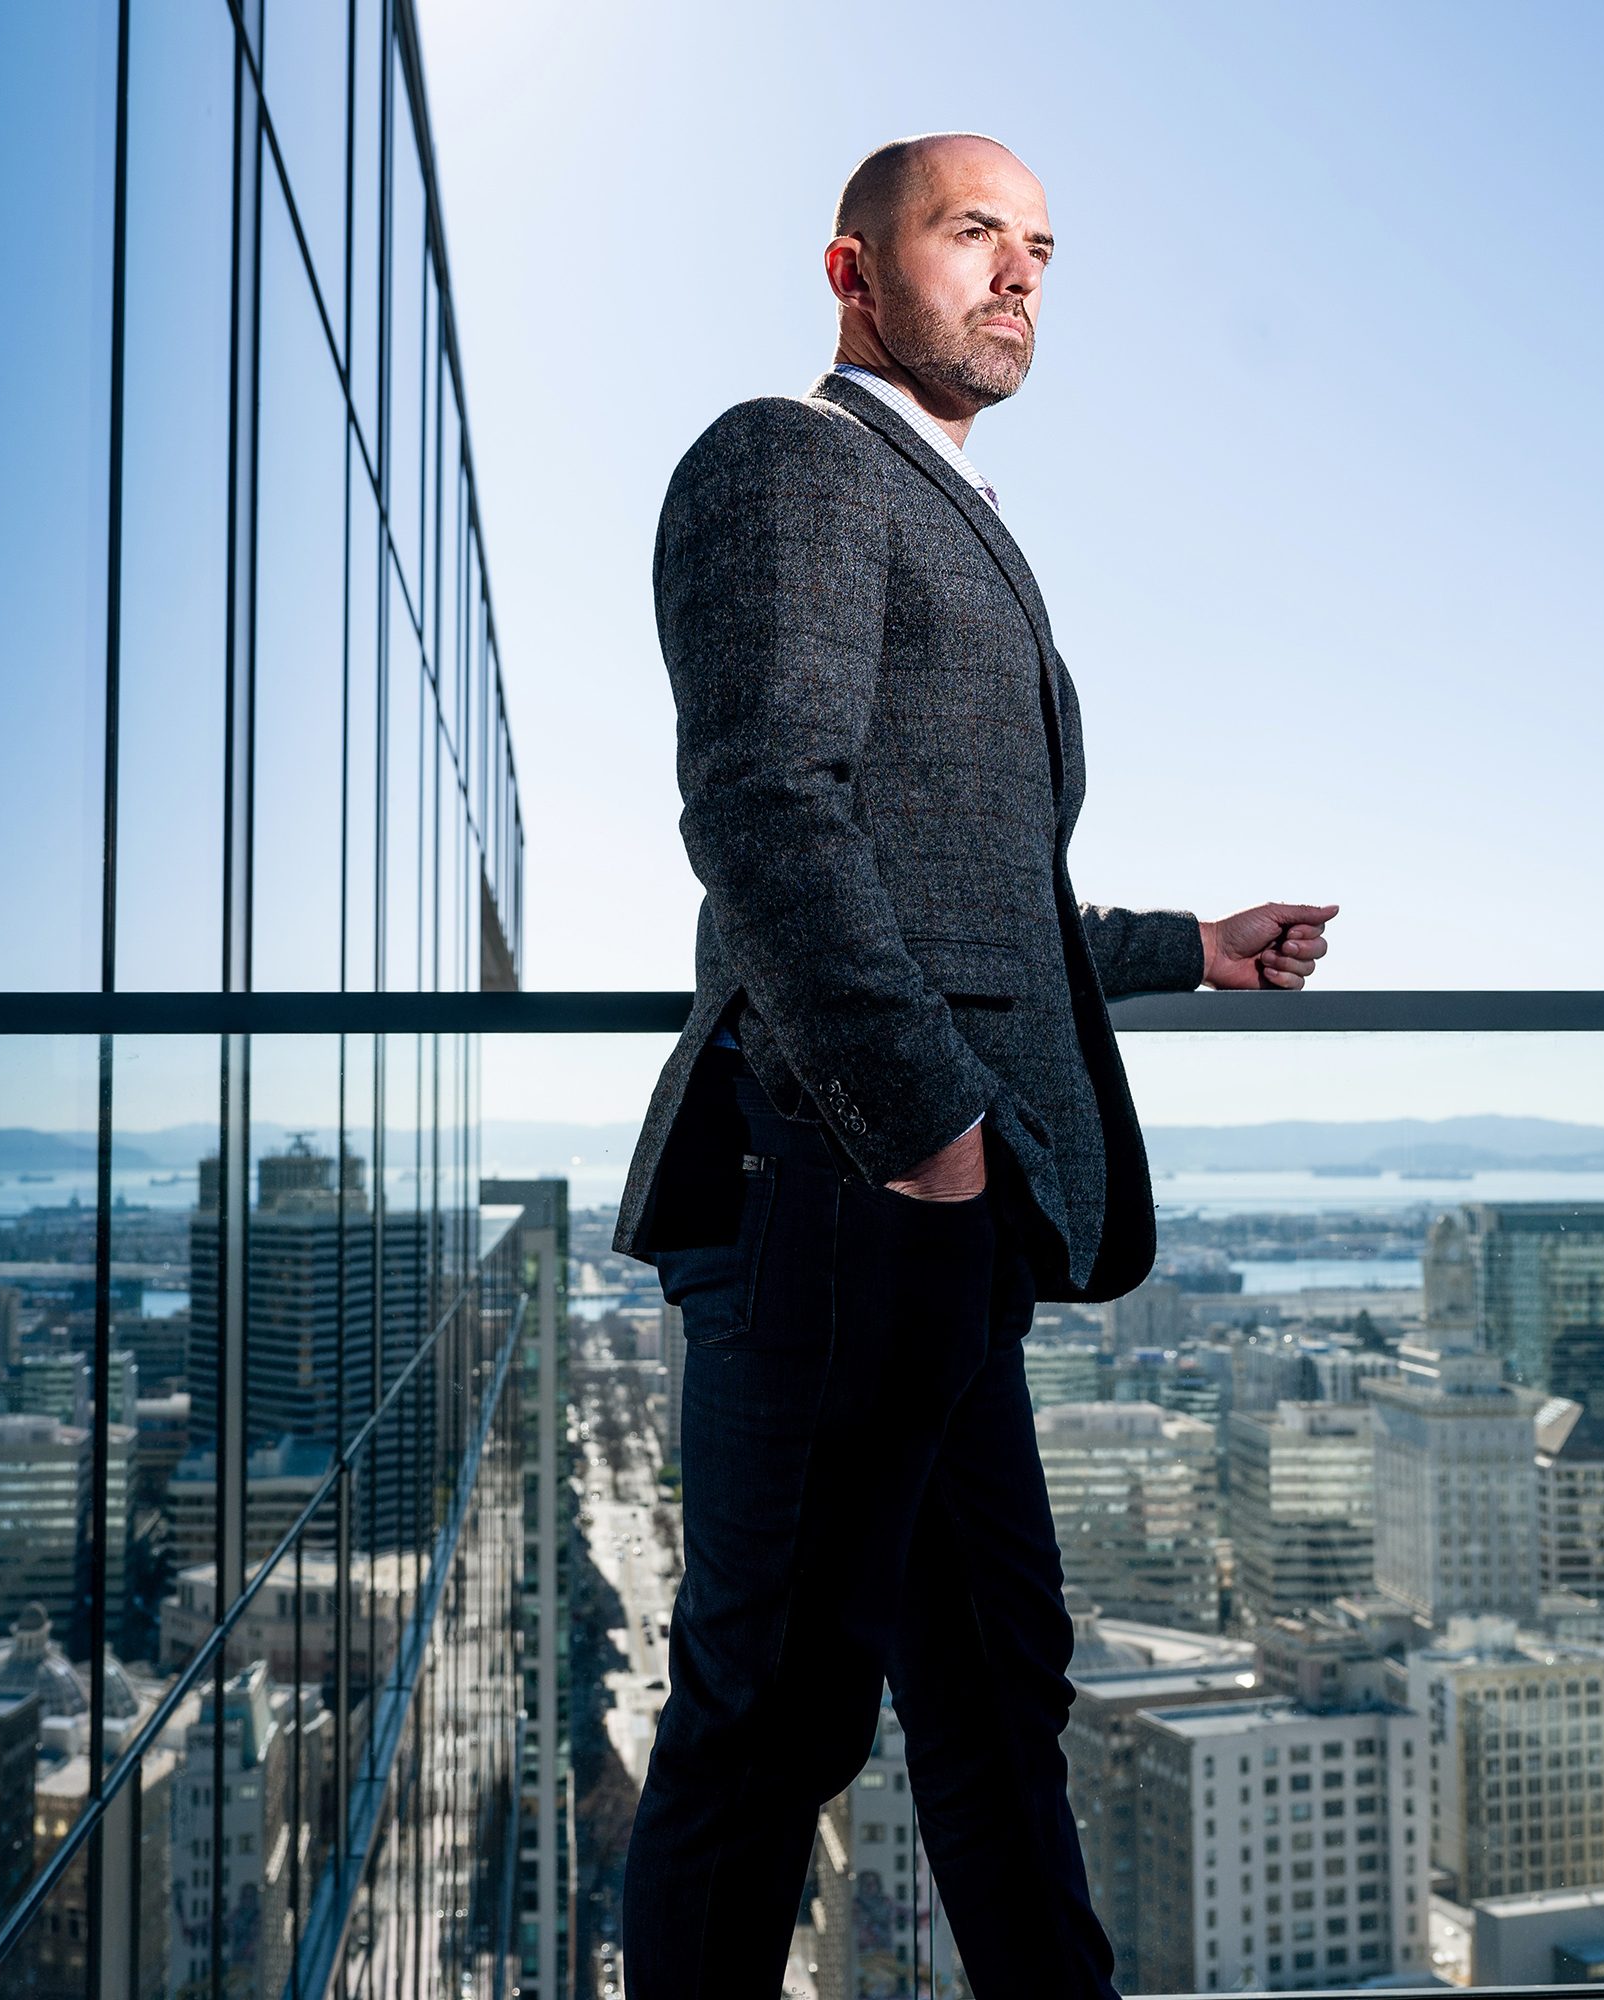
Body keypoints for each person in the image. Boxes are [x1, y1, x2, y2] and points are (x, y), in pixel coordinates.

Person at [612, 130, 1337, 2000]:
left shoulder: (950, 509)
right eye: (969, 235)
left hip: (937, 1225)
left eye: (1038, 248)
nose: (1018, 273)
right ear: (852, 270)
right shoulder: (789, 458)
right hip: (840, 1195)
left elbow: (975, 912)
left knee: (998, 1684)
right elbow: (766, 811)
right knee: (774, 1717)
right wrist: (934, 1140)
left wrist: (1191, 949)